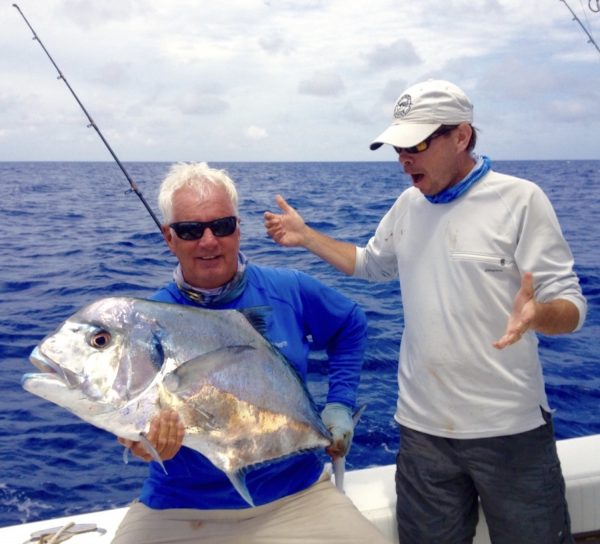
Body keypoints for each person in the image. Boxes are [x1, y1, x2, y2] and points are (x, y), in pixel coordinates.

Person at [263, 79, 588, 544]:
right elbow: (372, 263)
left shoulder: (521, 199)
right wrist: (307, 235)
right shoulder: (408, 206)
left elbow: (573, 307)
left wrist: (537, 315)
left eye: (416, 143)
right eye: (397, 146)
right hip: (422, 433)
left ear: (462, 137)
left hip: (510, 431)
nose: (404, 159)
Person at [111, 162, 390, 544]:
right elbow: (131, 411)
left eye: (221, 226)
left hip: (297, 495)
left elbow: (351, 324)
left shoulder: (288, 289)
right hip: (179, 507)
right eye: (191, 230)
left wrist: (339, 403)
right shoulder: (147, 325)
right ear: (168, 237)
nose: (209, 242)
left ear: (238, 228)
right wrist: (144, 445)